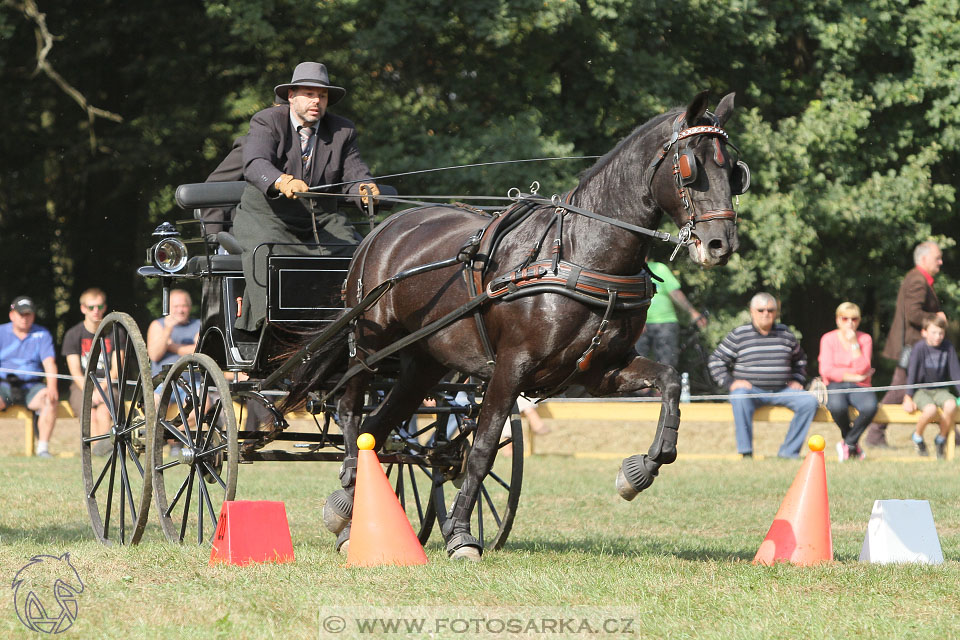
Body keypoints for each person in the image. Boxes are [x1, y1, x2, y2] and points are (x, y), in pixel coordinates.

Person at [234, 61, 380, 332]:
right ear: (291, 96)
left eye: (322, 96)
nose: (317, 101)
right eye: (309, 94)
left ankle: (351, 328)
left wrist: (364, 189)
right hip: (268, 215)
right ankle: (270, 330)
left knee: (359, 256)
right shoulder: (267, 121)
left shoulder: (342, 130)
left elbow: (355, 173)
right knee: (272, 260)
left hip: (321, 219)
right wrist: (281, 181)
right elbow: (255, 163)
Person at [708, 292, 818, 459]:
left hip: (783, 390)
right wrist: (730, 383)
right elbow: (716, 360)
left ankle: (788, 453)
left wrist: (797, 379)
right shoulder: (739, 334)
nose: (766, 314)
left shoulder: (786, 334)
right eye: (761, 310)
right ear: (752, 312)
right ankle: (746, 452)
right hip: (751, 391)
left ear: (776, 312)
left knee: (809, 401)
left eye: (770, 310)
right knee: (739, 396)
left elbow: (800, 360)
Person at [865, 241, 946, 448]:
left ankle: (951, 432)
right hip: (913, 347)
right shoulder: (917, 280)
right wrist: (936, 318)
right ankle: (874, 434)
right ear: (924, 259)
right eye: (937, 258)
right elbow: (914, 314)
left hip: (914, 346)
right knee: (898, 390)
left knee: (929, 387)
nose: (941, 261)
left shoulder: (917, 278)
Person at [818, 302, 877, 462]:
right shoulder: (828, 339)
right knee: (837, 407)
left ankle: (849, 443)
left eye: (854, 319)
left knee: (870, 407)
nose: (850, 323)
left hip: (860, 386)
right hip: (836, 384)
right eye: (845, 318)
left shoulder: (865, 339)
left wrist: (854, 345)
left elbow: (863, 367)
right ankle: (852, 445)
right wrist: (854, 377)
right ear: (838, 320)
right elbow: (826, 370)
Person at [0, 296, 59, 457]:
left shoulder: (42, 334)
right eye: (21, 314)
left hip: (32, 387)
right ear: (12, 315)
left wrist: (52, 388)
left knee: (49, 398)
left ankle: (43, 449)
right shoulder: (1, 332)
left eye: (29, 314)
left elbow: (49, 364)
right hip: (4, 386)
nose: (25, 318)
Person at [62, 288, 116, 455]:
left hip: (108, 385)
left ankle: (104, 451)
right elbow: (75, 371)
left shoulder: (116, 333)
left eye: (99, 307)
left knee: (104, 411)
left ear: (105, 307)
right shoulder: (73, 334)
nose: (96, 311)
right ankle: (95, 451)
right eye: (91, 307)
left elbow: (116, 369)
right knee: (89, 412)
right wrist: (91, 391)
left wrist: (102, 388)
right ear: (83, 308)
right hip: (82, 386)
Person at [902, 314, 960, 459]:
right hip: (922, 391)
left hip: (940, 390)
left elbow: (956, 374)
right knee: (930, 409)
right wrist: (908, 396)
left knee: (951, 405)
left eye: (941, 333)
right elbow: (912, 374)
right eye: (934, 332)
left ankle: (940, 439)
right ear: (924, 332)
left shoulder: (948, 347)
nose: (938, 336)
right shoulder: (919, 348)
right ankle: (917, 437)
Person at [634, 259, 708, 369]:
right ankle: (644, 386)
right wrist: (635, 320)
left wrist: (693, 313)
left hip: (665, 323)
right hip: (639, 325)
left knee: (667, 365)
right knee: (637, 364)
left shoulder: (659, 268)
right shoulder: (630, 271)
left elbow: (675, 293)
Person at [147, 289, 200, 377]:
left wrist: (171, 346)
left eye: (184, 306)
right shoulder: (158, 325)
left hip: (195, 385)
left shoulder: (198, 325)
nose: (180, 310)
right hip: (162, 384)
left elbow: (199, 353)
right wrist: (167, 330)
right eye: (176, 306)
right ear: (168, 307)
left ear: (190, 307)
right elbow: (154, 355)